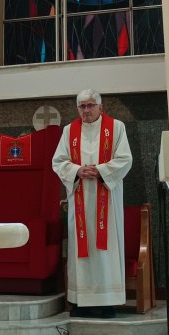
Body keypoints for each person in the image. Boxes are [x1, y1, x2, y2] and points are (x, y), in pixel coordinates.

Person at [52, 90, 133, 318]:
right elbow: (58, 161)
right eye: (82, 106)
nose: (86, 110)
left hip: (106, 198)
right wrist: (77, 170)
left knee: (105, 249)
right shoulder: (69, 131)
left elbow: (125, 159)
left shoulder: (116, 127)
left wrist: (101, 170)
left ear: (100, 107)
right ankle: (81, 302)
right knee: (81, 250)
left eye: (90, 105)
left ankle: (107, 302)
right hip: (79, 198)